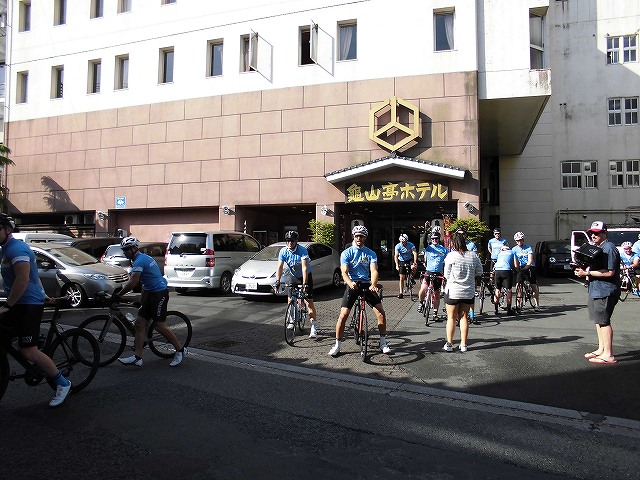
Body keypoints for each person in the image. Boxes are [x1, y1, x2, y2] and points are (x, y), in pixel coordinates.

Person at [0, 213, 72, 407]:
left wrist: (7, 306)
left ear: (7, 230)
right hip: (19, 302)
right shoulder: (5, 249)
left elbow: (23, 280)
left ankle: (62, 383)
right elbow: (34, 277)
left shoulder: (17, 249)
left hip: (28, 304)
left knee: (29, 352)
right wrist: (43, 293)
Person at [116, 236, 187, 367]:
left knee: (159, 326)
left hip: (159, 294)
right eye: (123, 250)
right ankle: (138, 357)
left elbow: (133, 283)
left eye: (126, 249)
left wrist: (118, 295)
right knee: (139, 323)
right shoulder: (140, 259)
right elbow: (144, 283)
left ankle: (180, 350)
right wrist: (141, 301)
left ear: (134, 248)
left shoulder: (140, 261)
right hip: (150, 293)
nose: (124, 252)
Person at [329, 225, 391, 356]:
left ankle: (383, 342)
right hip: (352, 285)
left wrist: (373, 284)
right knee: (344, 315)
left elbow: (374, 270)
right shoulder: (347, 253)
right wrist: (350, 283)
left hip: (366, 284)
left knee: (381, 313)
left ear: (365, 238)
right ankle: (337, 345)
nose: (359, 238)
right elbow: (344, 272)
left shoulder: (371, 253)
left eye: (361, 236)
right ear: (353, 237)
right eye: (357, 236)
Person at [574, 221, 620, 365]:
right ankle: (602, 349)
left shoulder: (609, 248)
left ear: (604, 233)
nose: (593, 235)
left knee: (604, 321)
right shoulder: (599, 248)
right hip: (596, 289)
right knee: (598, 321)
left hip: (605, 290)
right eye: (591, 233)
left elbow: (610, 272)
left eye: (597, 233)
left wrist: (587, 272)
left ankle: (608, 354)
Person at [442, 233, 483, 352]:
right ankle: (464, 344)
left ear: (454, 244)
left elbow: (446, 274)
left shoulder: (451, 256)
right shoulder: (473, 255)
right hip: (468, 292)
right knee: (464, 317)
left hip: (453, 291)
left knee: (451, 318)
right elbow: (479, 271)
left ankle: (449, 344)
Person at [274, 230, 318, 338]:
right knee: (290, 299)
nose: (290, 243)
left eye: (292, 241)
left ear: (296, 241)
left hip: (305, 276)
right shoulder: (283, 251)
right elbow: (279, 267)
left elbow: (304, 268)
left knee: (309, 302)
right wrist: (278, 281)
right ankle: (292, 319)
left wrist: (304, 284)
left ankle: (313, 326)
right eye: (288, 241)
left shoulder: (302, 250)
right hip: (293, 277)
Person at [417, 231, 448, 322]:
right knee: (423, 289)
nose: (434, 240)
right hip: (428, 272)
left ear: (439, 239)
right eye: (433, 239)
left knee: (437, 294)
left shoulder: (444, 249)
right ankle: (421, 302)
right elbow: (423, 242)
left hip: (438, 274)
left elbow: (450, 259)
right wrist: (426, 231)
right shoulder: (429, 248)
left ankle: (435, 314)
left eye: (436, 238)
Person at [512, 231, 541, 312]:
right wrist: (517, 269)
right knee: (518, 285)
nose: (519, 242)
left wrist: (527, 267)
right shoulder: (514, 249)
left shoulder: (528, 247)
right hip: (521, 267)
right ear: (516, 241)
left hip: (530, 266)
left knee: (533, 285)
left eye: (521, 240)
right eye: (518, 241)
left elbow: (530, 260)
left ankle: (537, 304)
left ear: (523, 240)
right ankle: (518, 304)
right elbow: (515, 261)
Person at [494, 244, 516, 315]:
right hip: (506, 270)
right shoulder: (512, 252)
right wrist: (517, 269)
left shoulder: (500, 253)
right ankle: (509, 310)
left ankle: (496, 310)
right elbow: (515, 264)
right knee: (508, 290)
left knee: (497, 289)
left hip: (497, 271)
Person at [394, 233, 417, 299]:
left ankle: (411, 278)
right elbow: (396, 256)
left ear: (406, 241)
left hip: (409, 260)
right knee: (401, 277)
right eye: (401, 242)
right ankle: (401, 292)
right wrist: (397, 265)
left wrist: (415, 262)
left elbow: (415, 253)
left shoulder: (411, 245)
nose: (402, 243)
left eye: (404, 242)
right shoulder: (398, 246)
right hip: (401, 260)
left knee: (414, 267)